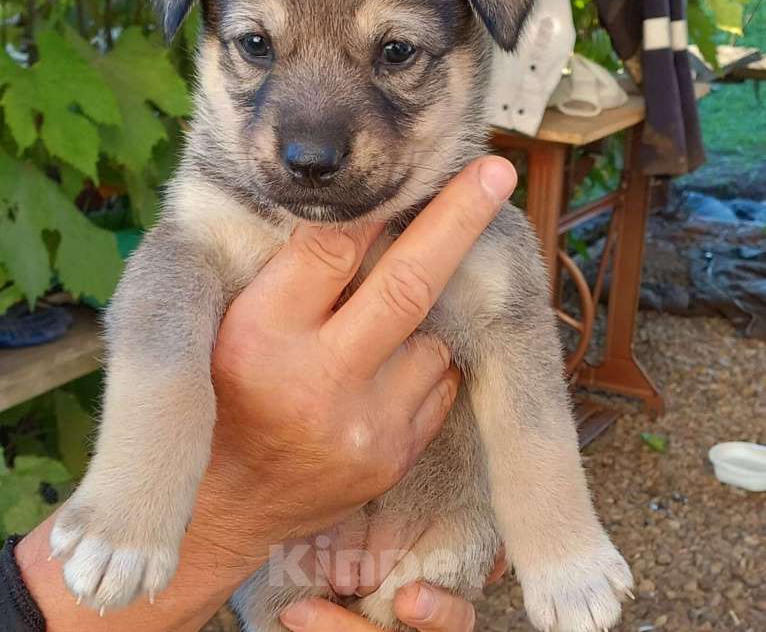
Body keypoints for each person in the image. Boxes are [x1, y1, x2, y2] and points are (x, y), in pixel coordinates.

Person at [3, 157, 517, 632]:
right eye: (256, 49)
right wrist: (209, 515)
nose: (311, 148)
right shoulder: (223, 193)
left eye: (396, 52)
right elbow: (170, 279)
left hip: (421, 537)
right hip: (289, 569)